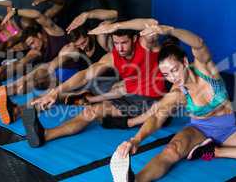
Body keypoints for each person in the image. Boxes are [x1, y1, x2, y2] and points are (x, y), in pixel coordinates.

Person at [110, 24, 236, 182]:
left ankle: (217, 152)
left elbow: (198, 43)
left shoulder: (205, 69)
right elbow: (157, 117)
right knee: (171, 150)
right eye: (166, 74)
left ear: (185, 62)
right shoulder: (178, 92)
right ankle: (135, 180)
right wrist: (136, 139)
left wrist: (170, 31)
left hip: (229, 129)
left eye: (174, 70)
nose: (172, 78)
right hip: (199, 128)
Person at [21, 18, 171, 148]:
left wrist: (116, 26)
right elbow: (85, 75)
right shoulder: (112, 57)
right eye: (116, 43)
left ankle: (117, 121)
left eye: (124, 42)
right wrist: (55, 92)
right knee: (90, 111)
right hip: (129, 97)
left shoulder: (147, 45)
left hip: (152, 102)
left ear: (134, 39)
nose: (120, 48)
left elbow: (153, 23)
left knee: (98, 109)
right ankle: (45, 134)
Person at [0, 9, 118, 125]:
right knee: (49, 83)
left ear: (88, 34)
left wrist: (87, 14)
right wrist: (23, 80)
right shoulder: (73, 47)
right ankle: (14, 105)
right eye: (79, 45)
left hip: (104, 82)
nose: (83, 47)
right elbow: (52, 65)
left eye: (84, 42)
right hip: (86, 80)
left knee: (56, 94)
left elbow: (114, 15)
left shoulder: (101, 39)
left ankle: (17, 107)